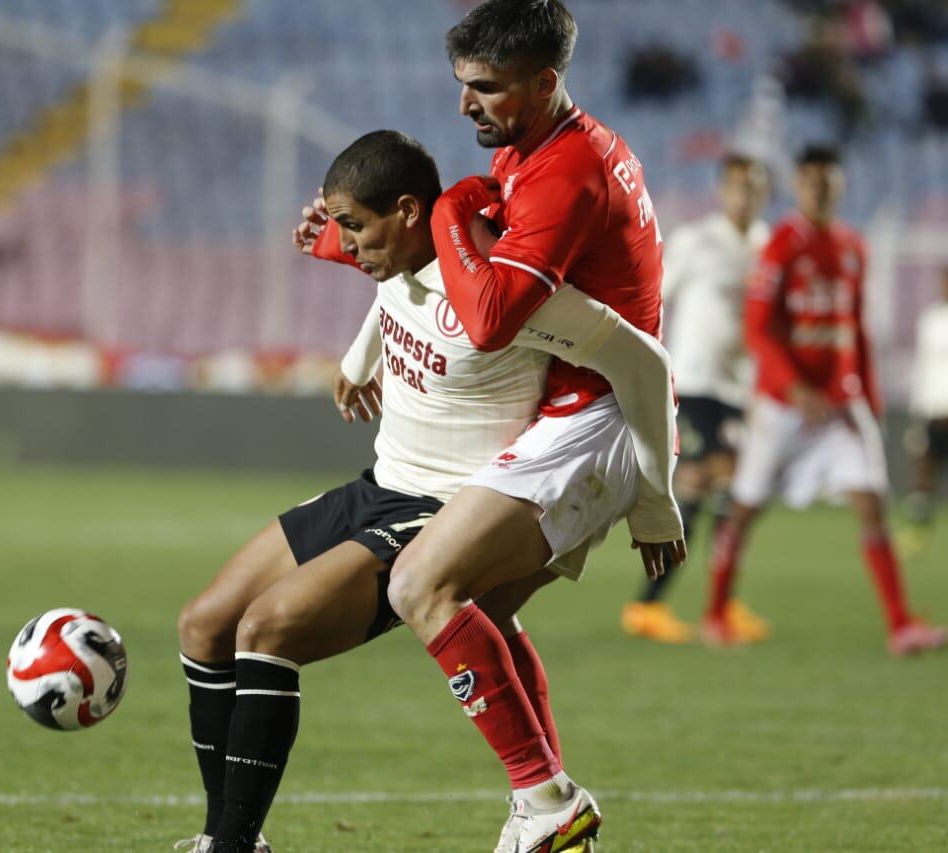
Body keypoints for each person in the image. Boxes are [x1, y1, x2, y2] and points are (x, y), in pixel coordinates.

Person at [175, 129, 677, 853]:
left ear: (409, 211)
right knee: (205, 624)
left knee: (267, 630)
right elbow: (391, 293)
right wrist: (359, 356)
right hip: (380, 483)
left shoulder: (505, 287)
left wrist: (654, 500)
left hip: (442, 510)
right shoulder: (400, 252)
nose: (347, 246)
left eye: (355, 226)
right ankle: (229, 837)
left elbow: (639, 357)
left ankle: (231, 845)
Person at [377, 2, 686, 851]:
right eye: (462, 86)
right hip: (589, 413)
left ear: (546, 83)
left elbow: (490, 319)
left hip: (597, 424)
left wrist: (447, 211)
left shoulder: (565, 172)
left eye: (488, 88)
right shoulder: (542, 147)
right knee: (486, 609)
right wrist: (343, 239)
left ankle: (547, 799)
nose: (468, 105)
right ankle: (550, 811)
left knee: (419, 585)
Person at [702, 144, 947, 658]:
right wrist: (794, 387)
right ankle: (717, 613)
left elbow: (855, 329)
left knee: (870, 504)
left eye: (827, 181)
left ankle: (901, 625)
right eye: (810, 181)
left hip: (839, 405)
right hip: (785, 404)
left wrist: (870, 401)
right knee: (744, 509)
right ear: (797, 185)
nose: (818, 189)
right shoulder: (782, 247)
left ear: (841, 184)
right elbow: (759, 329)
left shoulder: (854, 247)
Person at [621, 154, 771, 644]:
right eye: (738, 188)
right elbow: (654, 296)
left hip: (737, 386)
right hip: (695, 380)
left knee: (707, 491)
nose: (746, 197)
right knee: (722, 479)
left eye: (754, 189)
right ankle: (686, 606)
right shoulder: (697, 241)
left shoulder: (765, 245)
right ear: (722, 191)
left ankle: (679, 605)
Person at [900, 268, 948, 552]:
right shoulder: (930, 320)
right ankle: (919, 532)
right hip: (933, 408)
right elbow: (924, 366)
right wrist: (918, 407)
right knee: (924, 469)